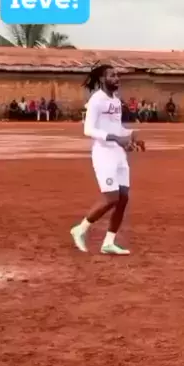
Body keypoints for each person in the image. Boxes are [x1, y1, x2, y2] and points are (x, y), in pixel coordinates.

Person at [70, 64, 144, 255]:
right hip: (104, 154)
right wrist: (115, 138)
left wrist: (131, 136)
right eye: (112, 75)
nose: (116, 78)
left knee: (123, 198)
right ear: (102, 79)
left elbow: (117, 128)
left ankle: (108, 243)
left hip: (119, 155)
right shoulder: (96, 100)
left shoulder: (116, 101)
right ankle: (80, 229)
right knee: (111, 197)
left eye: (117, 75)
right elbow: (88, 129)